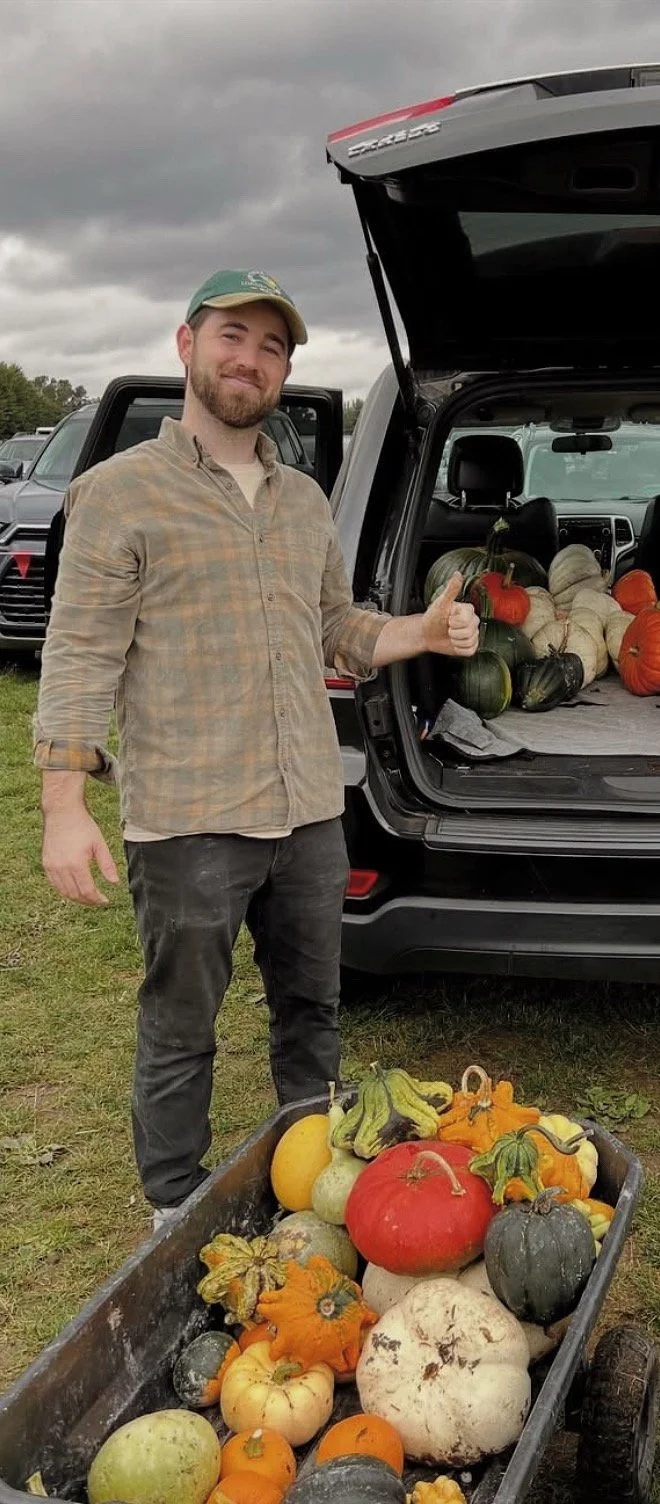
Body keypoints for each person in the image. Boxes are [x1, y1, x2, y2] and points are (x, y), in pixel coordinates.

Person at [33, 269, 478, 1230]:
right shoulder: (118, 495)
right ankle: (172, 1207)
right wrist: (63, 809)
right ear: (187, 345)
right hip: (190, 813)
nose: (253, 361)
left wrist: (420, 637)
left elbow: (337, 631)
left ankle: (309, 1179)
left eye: (273, 347)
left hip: (309, 808)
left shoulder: (304, 500)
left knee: (312, 1014)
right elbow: (78, 654)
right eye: (235, 336)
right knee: (182, 1027)